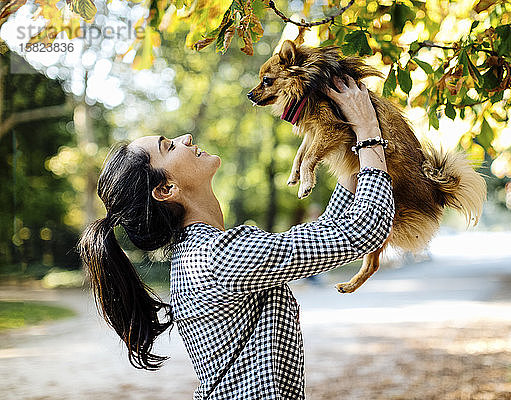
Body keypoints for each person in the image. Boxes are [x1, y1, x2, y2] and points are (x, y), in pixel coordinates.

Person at [78, 76, 394, 400]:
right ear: (166, 190)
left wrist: (350, 146)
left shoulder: (203, 253)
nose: (185, 137)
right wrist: (369, 132)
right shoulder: (219, 256)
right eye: (168, 146)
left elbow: (330, 232)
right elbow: (361, 231)